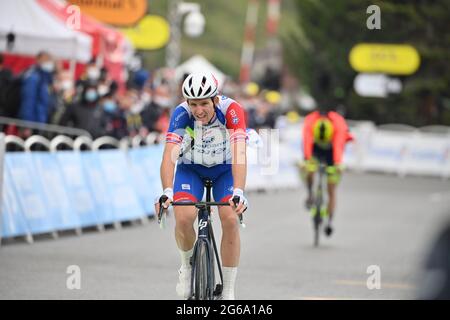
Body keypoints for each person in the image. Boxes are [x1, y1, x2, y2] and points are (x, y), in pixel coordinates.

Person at [154, 73, 249, 300]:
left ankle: (227, 289)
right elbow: (169, 155)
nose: (199, 110)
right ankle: (186, 268)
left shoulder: (232, 111)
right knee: (184, 218)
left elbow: (239, 154)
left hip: (224, 170)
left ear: (215, 100)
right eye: (194, 104)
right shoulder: (181, 114)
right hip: (192, 169)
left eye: (204, 103)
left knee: (230, 219)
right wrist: (167, 191)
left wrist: (238, 191)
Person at [301, 107, 353, 237]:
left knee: (331, 189)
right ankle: (310, 193)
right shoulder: (310, 121)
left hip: (332, 151)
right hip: (316, 148)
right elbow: (307, 142)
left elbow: (339, 146)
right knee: (309, 169)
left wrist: (338, 164)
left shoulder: (338, 125)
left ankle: (329, 221)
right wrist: (307, 161)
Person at [18, 51, 55, 130]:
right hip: (32, 122)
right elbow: (28, 101)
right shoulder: (33, 77)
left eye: (50, 60)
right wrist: (26, 125)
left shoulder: (46, 78)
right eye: (46, 60)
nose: (49, 63)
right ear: (38, 60)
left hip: (40, 121)